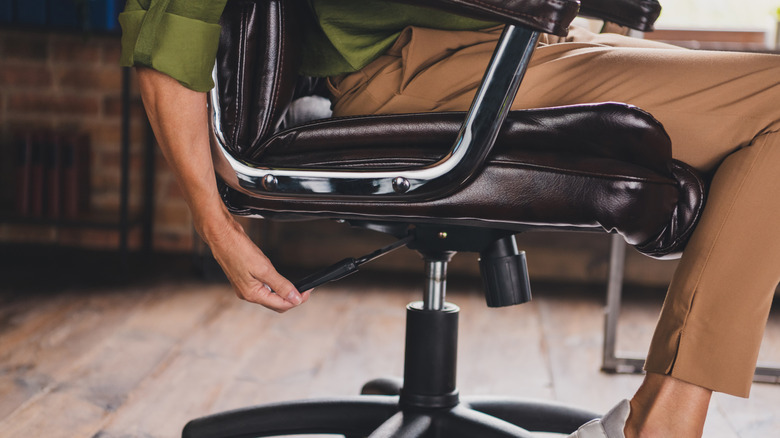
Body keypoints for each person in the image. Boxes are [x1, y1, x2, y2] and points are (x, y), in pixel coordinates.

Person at [119, 0, 780, 437]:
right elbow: (168, 37)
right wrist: (213, 221)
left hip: (518, 40)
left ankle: (659, 417)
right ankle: (662, 424)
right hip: (427, 67)